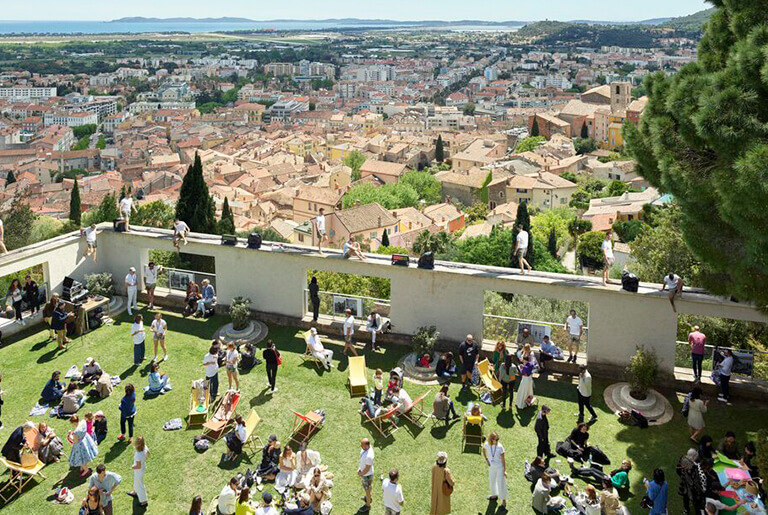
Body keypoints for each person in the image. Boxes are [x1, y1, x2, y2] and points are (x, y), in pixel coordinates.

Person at [676, 448, 706, 514]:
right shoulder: (692, 467)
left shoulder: (682, 460)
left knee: (685, 498)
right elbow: (694, 479)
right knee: (695, 501)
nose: (696, 458)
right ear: (692, 456)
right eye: (695, 456)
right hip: (691, 487)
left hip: (684, 483)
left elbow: (678, 470)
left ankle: (686, 510)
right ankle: (696, 512)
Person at [482, 432, 507, 508]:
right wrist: (486, 459)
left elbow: (503, 459)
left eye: (498, 439)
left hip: (499, 467)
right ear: (492, 439)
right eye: (496, 439)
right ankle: (494, 495)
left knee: (501, 483)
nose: (497, 441)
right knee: (491, 481)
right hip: (491, 467)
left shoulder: (500, 447)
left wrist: (504, 470)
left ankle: (504, 501)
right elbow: (483, 449)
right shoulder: (487, 444)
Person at [128, 436, 149, 508]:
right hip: (142, 467)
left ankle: (144, 501)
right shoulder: (145, 447)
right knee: (136, 481)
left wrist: (133, 466)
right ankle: (135, 492)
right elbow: (148, 453)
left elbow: (138, 466)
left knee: (140, 484)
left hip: (139, 470)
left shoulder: (138, 454)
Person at [358, 438, 374, 512]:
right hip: (365, 473)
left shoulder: (369, 456)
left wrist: (361, 473)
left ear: (367, 446)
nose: (360, 445)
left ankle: (367, 505)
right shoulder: (366, 449)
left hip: (367, 475)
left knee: (367, 490)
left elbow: (367, 468)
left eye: (362, 445)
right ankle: (368, 497)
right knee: (368, 488)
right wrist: (360, 468)